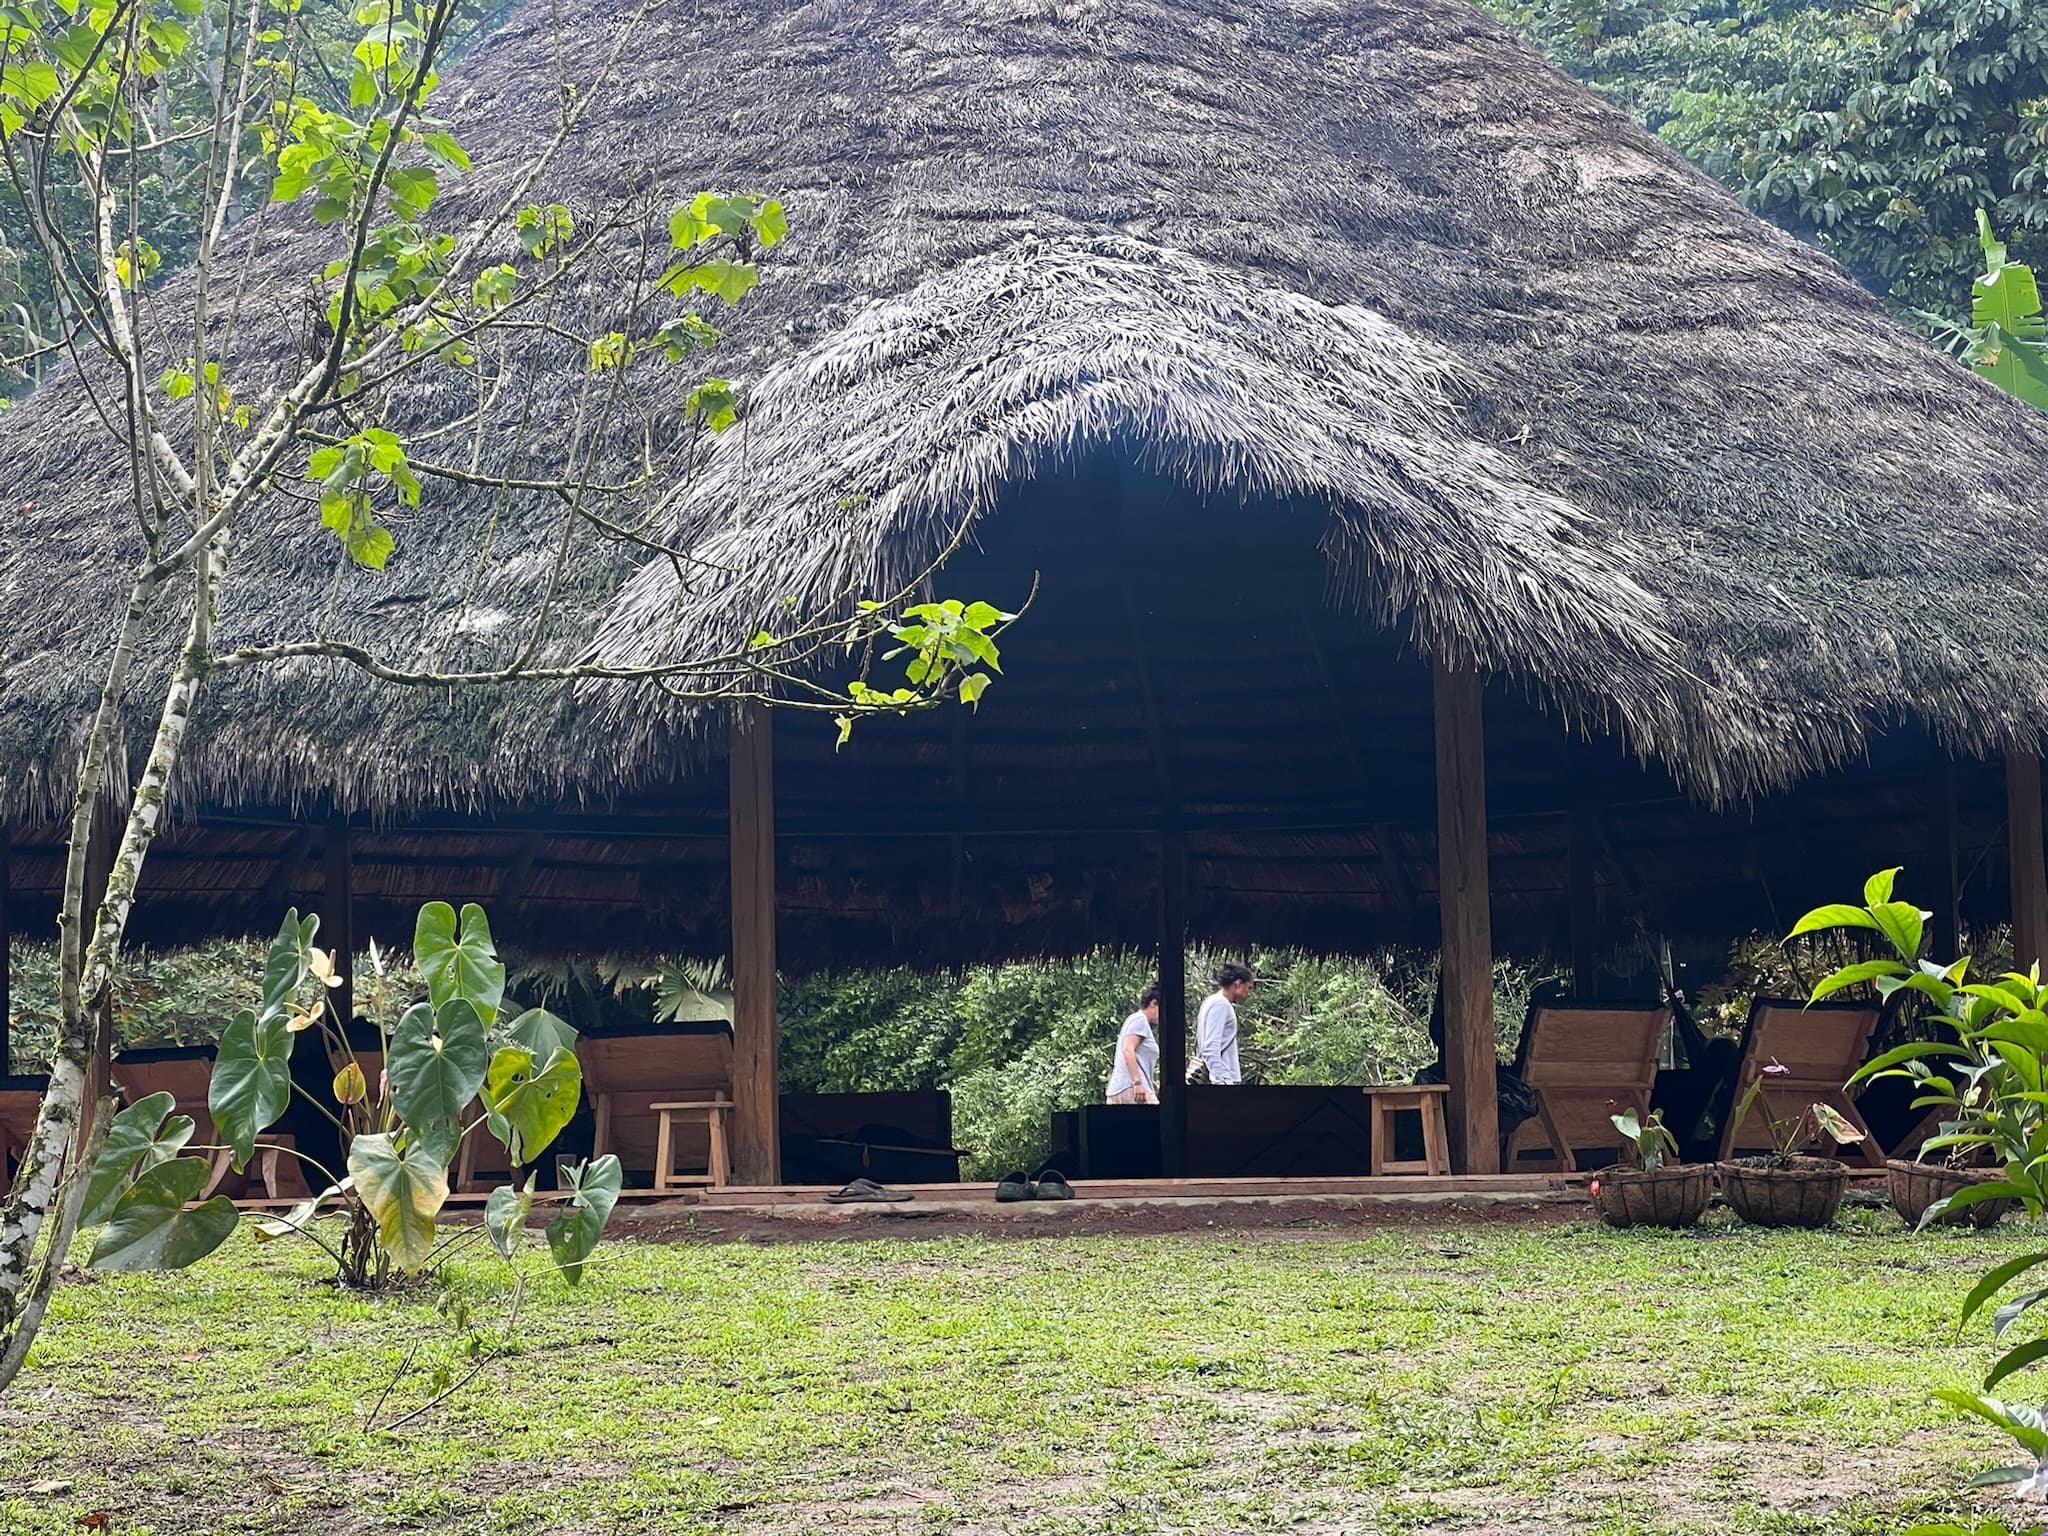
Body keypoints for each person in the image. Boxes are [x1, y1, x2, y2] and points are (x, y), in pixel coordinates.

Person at [1195, 963, 1254, 1085]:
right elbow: (1211, 1048)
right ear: (1238, 984)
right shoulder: (1221, 1004)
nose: (1249, 993)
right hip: (1222, 1079)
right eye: (1248, 988)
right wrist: (1221, 1082)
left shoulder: (1212, 1001)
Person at [1106, 984, 1162, 1104]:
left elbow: (1138, 1058)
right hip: (1131, 1088)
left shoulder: (1134, 1020)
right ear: (1153, 1003)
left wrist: (1151, 1084)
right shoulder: (1139, 1020)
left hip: (1125, 1087)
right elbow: (1128, 1050)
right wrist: (1137, 1083)